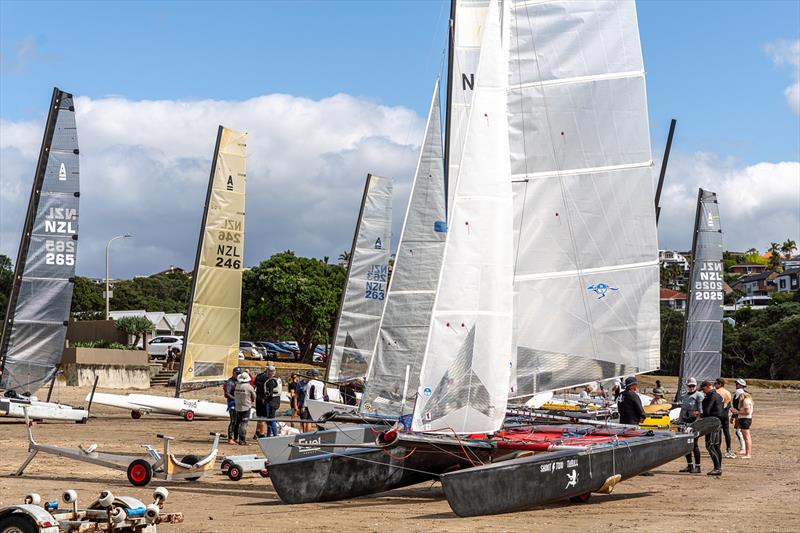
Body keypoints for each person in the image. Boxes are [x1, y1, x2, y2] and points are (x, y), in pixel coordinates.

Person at [678, 377, 705, 473]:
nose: (691, 387)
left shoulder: (699, 396)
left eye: (693, 385)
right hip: (685, 422)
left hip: (695, 423)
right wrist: (680, 421)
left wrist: (697, 423)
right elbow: (682, 410)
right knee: (686, 444)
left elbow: (701, 411)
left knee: (694, 444)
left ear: (696, 385)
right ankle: (689, 465)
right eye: (690, 386)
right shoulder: (685, 396)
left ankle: (698, 466)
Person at [700, 380, 724, 476]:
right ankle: (719, 467)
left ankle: (717, 468)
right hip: (719, 422)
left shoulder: (711, 396)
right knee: (716, 446)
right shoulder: (718, 395)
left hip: (712, 423)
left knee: (710, 446)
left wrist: (701, 415)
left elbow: (707, 411)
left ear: (708, 386)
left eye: (703, 389)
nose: (703, 392)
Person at [234, 371, 256, 446]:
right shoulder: (249, 387)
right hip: (246, 406)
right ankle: (242, 440)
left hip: (238, 406)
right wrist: (252, 401)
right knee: (244, 424)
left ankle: (237, 438)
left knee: (239, 422)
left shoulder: (237, 385)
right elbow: (254, 396)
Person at [715, 378, 734, 458]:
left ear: (719, 384)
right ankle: (728, 448)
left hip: (718, 414)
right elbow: (729, 405)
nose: (715, 385)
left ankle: (718, 448)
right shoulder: (728, 392)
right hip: (725, 414)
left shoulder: (716, 392)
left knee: (718, 432)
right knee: (726, 432)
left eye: (716, 383)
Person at [223, 367, 241, 445]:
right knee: (233, 421)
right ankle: (230, 438)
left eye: (239, 374)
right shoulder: (230, 382)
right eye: (236, 373)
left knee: (238, 422)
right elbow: (227, 393)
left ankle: (235, 438)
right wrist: (235, 399)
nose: (238, 375)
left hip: (238, 403)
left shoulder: (239, 381)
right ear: (233, 373)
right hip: (232, 403)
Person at [733, 390, 754, 458]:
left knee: (747, 438)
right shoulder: (747, 400)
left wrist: (737, 412)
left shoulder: (745, 401)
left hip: (745, 419)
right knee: (747, 437)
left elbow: (747, 412)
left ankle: (748, 454)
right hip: (745, 419)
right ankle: (747, 452)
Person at [264, 366, 282, 437]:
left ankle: (274, 435)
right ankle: (269, 434)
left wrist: (265, 399)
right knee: (271, 419)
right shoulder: (278, 379)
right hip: (277, 400)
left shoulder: (271, 381)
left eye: (267, 371)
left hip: (272, 401)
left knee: (271, 419)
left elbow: (270, 394)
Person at [731, 378, 747, 455]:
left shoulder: (742, 394)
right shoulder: (739, 394)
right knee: (740, 432)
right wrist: (733, 416)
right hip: (739, 415)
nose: (736, 385)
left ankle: (743, 448)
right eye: (736, 384)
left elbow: (740, 407)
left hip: (741, 415)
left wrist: (735, 415)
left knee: (739, 431)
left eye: (738, 384)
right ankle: (743, 448)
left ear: (742, 385)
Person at [253, 367, 270, 439]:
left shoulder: (258, 376)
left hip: (258, 398)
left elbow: (254, 386)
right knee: (264, 417)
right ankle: (262, 434)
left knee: (259, 416)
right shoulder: (268, 378)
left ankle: (257, 432)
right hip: (264, 399)